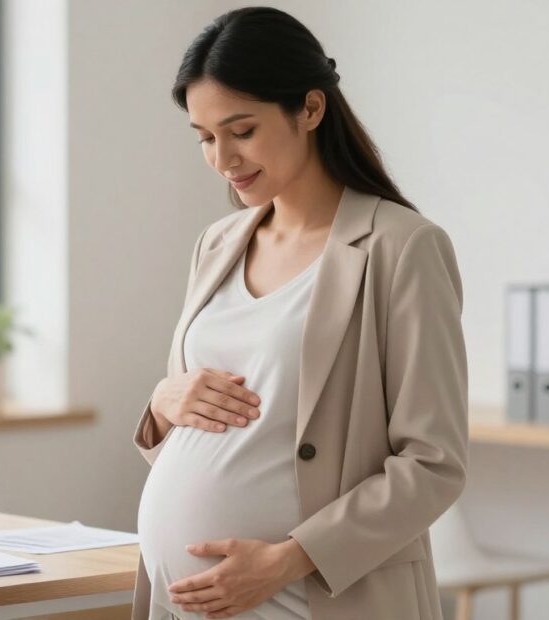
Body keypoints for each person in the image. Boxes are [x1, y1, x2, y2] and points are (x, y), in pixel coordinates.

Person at [132, 7, 468, 620]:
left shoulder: (400, 246)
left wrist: (288, 558)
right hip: (186, 605)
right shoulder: (217, 244)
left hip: (312, 599)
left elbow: (434, 465)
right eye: (206, 137)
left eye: (242, 131)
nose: (223, 159)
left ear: (310, 109)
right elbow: (217, 439)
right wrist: (162, 406)